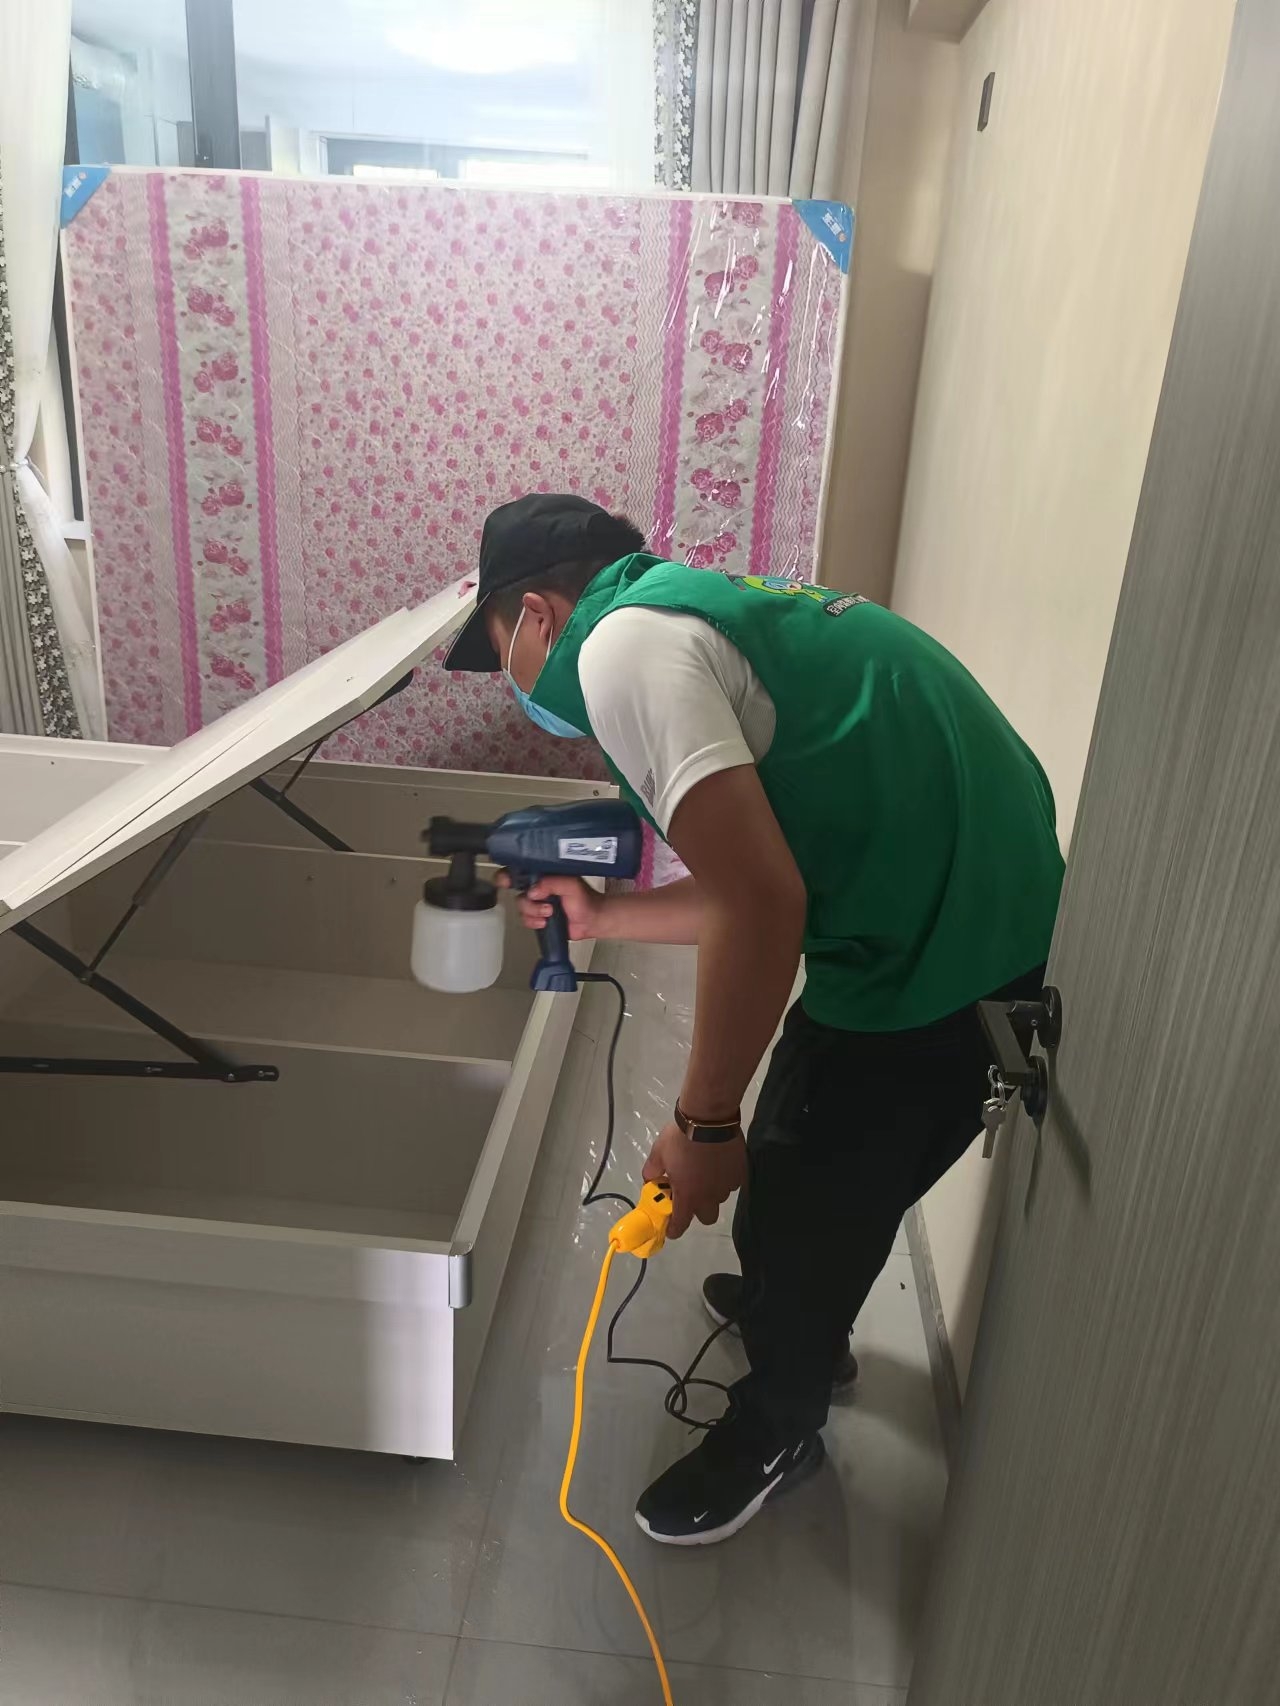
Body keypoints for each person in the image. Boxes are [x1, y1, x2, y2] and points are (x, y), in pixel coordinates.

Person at [443, 493, 1065, 1547]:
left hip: (943, 950)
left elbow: (763, 905)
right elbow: (758, 880)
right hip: (953, 910)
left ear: (538, 614)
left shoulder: (621, 652)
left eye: (500, 645)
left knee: (810, 1183)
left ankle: (779, 1422)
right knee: (797, 1166)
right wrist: (611, 916)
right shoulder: (686, 611)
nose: (512, 680)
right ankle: (794, 1312)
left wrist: (702, 1122)